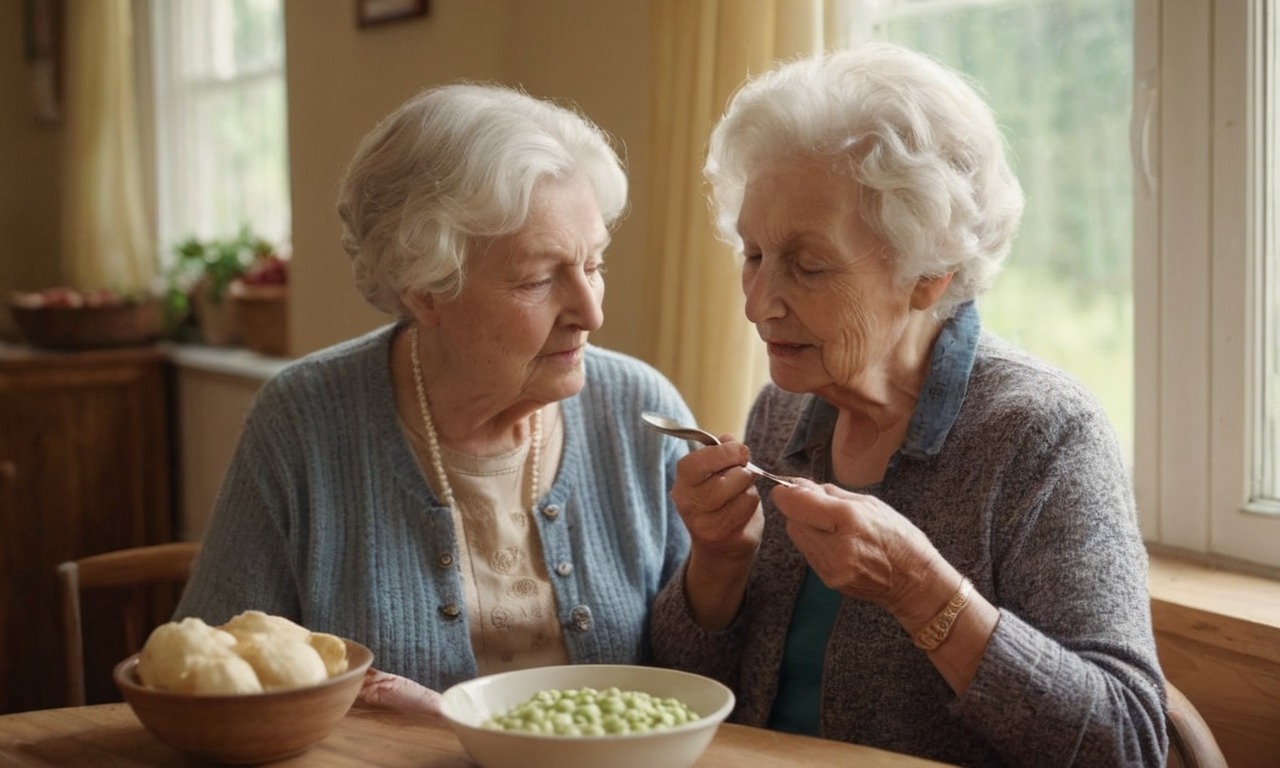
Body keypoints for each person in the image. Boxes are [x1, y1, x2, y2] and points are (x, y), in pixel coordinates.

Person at [649, 42, 1167, 767]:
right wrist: (716, 565)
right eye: (754, 255)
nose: (759, 303)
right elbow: (678, 699)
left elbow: (1126, 743)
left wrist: (925, 595)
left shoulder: (1042, 435)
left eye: (808, 264)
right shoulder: (782, 412)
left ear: (929, 273)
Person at [175, 82, 693, 712]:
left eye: (595, 264)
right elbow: (213, 683)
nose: (590, 311)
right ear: (426, 291)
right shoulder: (305, 422)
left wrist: (726, 559)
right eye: (538, 279)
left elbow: (709, 674)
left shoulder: (638, 412)